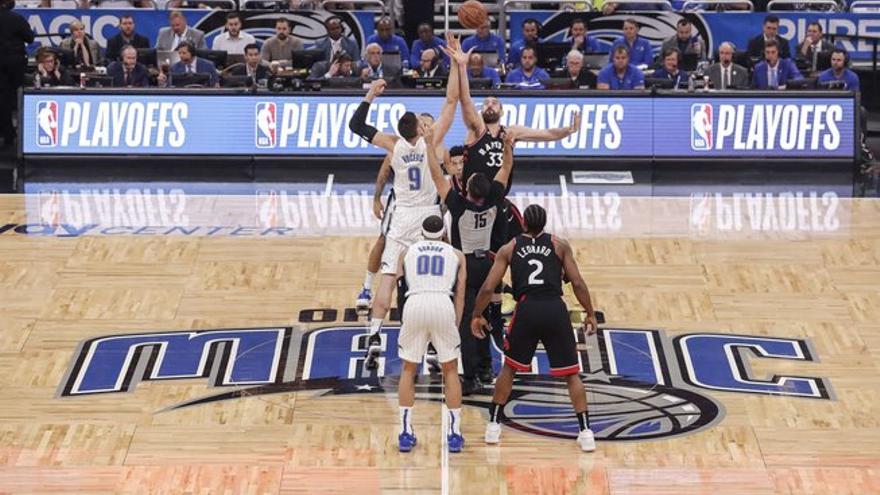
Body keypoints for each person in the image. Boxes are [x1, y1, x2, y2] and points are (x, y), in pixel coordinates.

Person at [348, 65, 457, 370]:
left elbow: (356, 125)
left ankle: (374, 336)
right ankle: (434, 348)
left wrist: (370, 94)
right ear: (420, 130)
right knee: (435, 283)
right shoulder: (432, 142)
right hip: (429, 219)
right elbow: (450, 104)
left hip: (402, 216)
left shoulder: (392, 144)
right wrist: (456, 70)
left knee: (388, 279)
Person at [471, 203, 599, 452]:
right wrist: (590, 312)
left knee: (509, 369)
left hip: (527, 309)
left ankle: (493, 426)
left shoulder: (510, 248)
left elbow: (488, 287)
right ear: (544, 223)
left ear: (524, 224)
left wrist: (477, 314)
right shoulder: (559, 245)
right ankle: (585, 432)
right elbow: (578, 283)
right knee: (571, 374)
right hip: (554, 309)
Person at [425, 103, 514, 395]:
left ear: (468, 191)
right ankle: (487, 367)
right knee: (486, 314)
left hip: (463, 266)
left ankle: (470, 372)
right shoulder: (494, 201)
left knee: (465, 319)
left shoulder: (458, 205)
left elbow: (438, 178)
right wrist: (507, 147)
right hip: (488, 265)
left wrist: (429, 146)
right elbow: (505, 169)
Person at [394, 215, 467, 453]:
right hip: (442, 303)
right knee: (451, 370)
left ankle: (405, 432)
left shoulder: (406, 253)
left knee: (408, 369)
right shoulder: (457, 255)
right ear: (443, 232)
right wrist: (454, 322)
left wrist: (404, 316)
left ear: (422, 232)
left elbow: (398, 287)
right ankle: (454, 434)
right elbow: (460, 294)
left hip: (414, 302)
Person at [0, 0, 34, 149]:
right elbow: (30, 38)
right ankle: (23, 134)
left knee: (2, 99)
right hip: (15, 64)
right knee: (19, 96)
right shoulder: (16, 18)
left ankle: (7, 134)